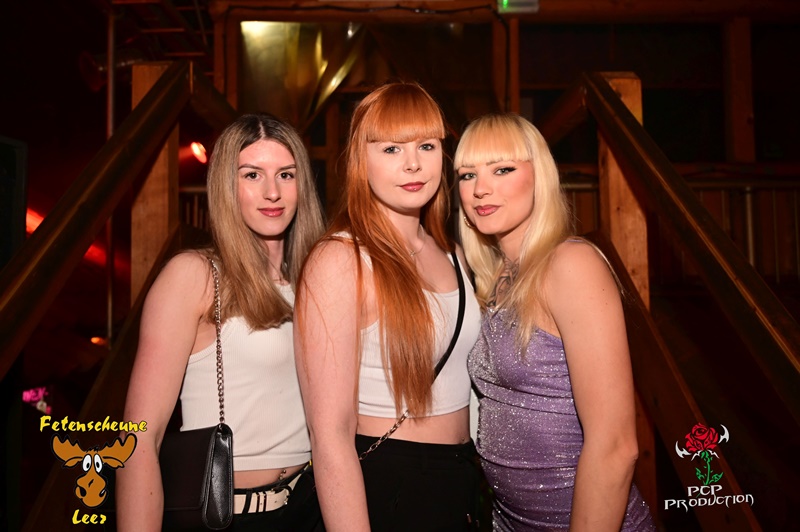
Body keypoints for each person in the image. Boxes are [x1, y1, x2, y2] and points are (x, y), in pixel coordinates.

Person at [116, 114, 326, 531]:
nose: (272, 192)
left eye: (286, 174)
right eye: (252, 175)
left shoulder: (315, 278)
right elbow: (138, 439)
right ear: (226, 185)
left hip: (310, 506)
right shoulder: (195, 276)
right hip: (229, 517)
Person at [294, 82, 483, 532]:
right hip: (389, 482)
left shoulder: (453, 252)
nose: (413, 163)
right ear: (361, 161)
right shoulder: (341, 259)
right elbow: (330, 434)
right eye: (392, 148)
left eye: (426, 146)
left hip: (462, 478)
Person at [455, 113, 656, 531]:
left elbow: (616, 447)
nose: (480, 188)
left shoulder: (571, 264)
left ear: (540, 177)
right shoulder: (497, 277)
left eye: (502, 169)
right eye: (467, 174)